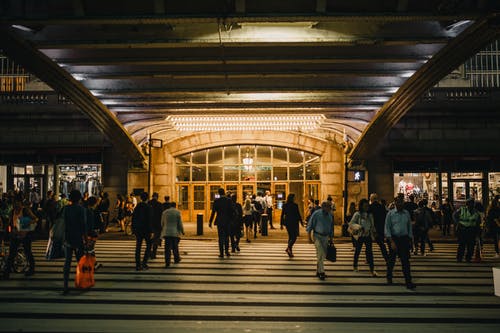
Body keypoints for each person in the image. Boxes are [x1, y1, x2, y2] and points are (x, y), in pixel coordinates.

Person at [385, 196, 416, 290]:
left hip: (404, 239)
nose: (400, 204)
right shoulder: (390, 214)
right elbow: (387, 228)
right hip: (394, 238)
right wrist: (391, 241)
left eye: (401, 202)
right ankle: (389, 276)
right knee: (392, 260)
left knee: (405, 261)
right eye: (398, 202)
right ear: (395, 203)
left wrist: (411, 240)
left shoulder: (406, 213)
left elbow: (409, 227)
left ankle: (408, 281)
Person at [3, 200, 38, 280]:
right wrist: (10, 231)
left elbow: (35, 219)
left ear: (21, 205)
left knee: (27, 252)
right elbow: (10, 223)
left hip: (25, 235)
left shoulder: (25, 211)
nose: (16, 207)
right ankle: (6, 272)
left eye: (18, 205)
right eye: (15, 205)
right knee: (12, 253)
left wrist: (27, 224)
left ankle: (32, 269)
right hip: (15, 235)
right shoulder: (12, 212)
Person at [62, 190, 87, 295]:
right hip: (78, 239)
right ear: (79, 198)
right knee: (80, 262)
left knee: (67, 262)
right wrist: (85, 238)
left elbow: (62, 222)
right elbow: (84, 225)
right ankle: (81, 283)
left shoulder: (66, 209)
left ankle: (65, 285)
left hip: (68, 238)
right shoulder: (81, 209)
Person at [349, 198, 378, 277]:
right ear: (361, 206)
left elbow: (372, 225)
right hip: (360, 236)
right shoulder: (357, 214)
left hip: (368, 235)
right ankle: (355, 265)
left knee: (370, 252)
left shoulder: (370, 215)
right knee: (357, 251)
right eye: (365, 206)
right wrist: (359, 227)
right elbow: (351, 223)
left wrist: (374, 232)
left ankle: (372, 269)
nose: (366, 207)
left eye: (367, 206)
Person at [307, 201, 334, 280]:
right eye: (328, 207)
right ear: (323, 207)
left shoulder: (330, 215)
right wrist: (309, 237)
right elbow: (310, 224)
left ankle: (318, 270)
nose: (329, 208)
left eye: (330, 207)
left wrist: (331, 238)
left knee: (323, 254)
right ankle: (322, 272)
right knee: (320, 253)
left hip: (325, 237)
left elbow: (331, 228)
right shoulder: (317, 214)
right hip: (317, 235)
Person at [453, 198, 481, 263]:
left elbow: (478, 222)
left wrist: (478, 230)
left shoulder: (476, 212)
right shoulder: (462, 209)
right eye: (470, 204)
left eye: (472, 204)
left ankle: (468, 258)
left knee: (471, 245)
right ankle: (460, 258)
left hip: (471, 230)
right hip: (463, 229)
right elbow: (454, 215)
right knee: (462, 245)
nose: (471, 205)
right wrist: (458, 223)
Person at [209, 188, 233, 258]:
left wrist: (210, 221)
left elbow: (213, 212)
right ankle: (227, 251)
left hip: (219, 221)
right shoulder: (228, 200)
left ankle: (221, 253)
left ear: (219, 193)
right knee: (226, 236)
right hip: (227, 221)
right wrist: (231, 220)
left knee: (220, 237)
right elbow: (232, 211)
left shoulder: (216, 201)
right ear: (224, 192)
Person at [132, 192, 153, 270]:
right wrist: (151, 231)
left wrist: (133, 229)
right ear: (147, 198)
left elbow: (134, 218)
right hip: (146, 230)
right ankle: (144, 262)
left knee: (138, 247)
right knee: (148, 246)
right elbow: (150, 220)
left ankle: (138, 264)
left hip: (138, 230)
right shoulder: (149, 207)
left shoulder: (137, 207)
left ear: (141, 198)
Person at [161, 202, 184, 268]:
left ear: (170, 206)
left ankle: (167, 262)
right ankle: (176, 259)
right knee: (175, 247)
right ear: (175, 206)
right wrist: (182, 231)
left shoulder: (165, 212)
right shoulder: (178, 212)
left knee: (167, 248)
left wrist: (163, 229)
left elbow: (162, 223)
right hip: (175, 232)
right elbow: (180, 223)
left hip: (167, 232)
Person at [280, 193, 303, 258]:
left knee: (290, 236)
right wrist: (301, 222)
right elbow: (298, 214)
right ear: (292, 198)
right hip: (294, 222)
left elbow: (282, 215)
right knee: (294, 237)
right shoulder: (295, 205)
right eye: (294, 197)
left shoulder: (285, 205)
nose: (295, 199)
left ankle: (290, 251)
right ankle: (288, 248)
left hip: (287, 222)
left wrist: (281, 224)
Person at [369, 193, 389, 263]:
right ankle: (386, 257)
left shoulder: (370, 207)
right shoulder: (381, 207)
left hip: (372, 228)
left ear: (371, 199)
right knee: (381, 244)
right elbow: (384, 217)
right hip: (380, 228)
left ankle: (369, 259)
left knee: (369, 245)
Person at [149, 193, 164, 259]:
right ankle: (154, 253)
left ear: (152, 197)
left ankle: (149, 252)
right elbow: (161, 215)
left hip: (149, 225)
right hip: (157, 225)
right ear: (157, 197)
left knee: (149, 240)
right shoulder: (159, 204)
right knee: (156, 239)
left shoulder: (148, 203)